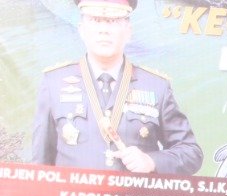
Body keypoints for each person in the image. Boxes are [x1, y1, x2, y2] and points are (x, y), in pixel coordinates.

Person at [30, 0, 201, 175]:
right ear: (81, 29)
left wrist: (152, 161)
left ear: (128, 31)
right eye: (96, 20)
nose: (104, 30)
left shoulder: (157, 86)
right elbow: (39, 164)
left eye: (112, 21)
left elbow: (191, 153)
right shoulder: (53, 83)